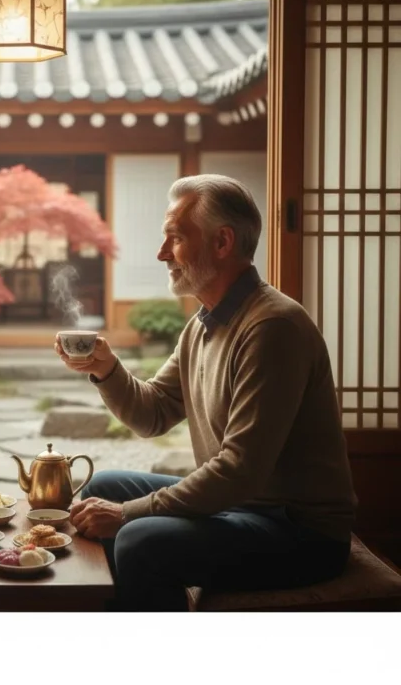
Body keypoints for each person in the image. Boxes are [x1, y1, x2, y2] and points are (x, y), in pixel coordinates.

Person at [55, 174, 357, 611]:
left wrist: (126, 515)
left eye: (174, 238)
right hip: (241, 506)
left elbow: (238, 471)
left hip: (298, 530)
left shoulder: (271, 327)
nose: (162, 254)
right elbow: (152, 414)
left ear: (222, 243)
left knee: (137, 536)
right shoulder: (204, 323)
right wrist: (106, 369)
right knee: (106, 483)